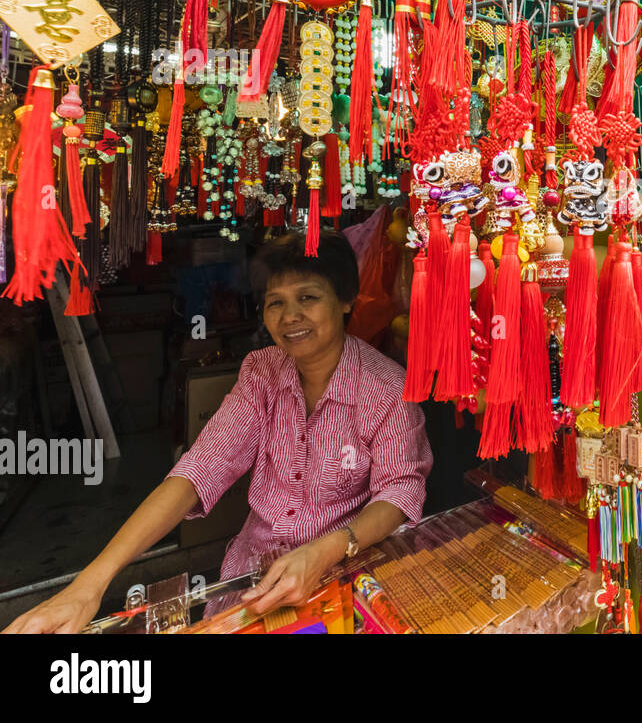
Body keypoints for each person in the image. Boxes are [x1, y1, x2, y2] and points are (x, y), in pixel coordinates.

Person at [4, 230, 432, 633]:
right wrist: (89, 586)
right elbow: (198, 471)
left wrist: (328, 549)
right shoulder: (261, 373)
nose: (290, 317)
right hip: (255, 574)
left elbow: (398, 494)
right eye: (275, 302)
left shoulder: (389, 388)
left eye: (307, 297)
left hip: (345, 570)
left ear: (344, 301)